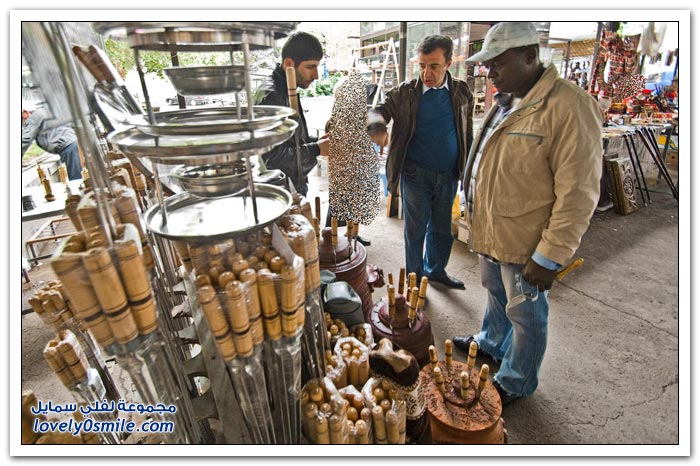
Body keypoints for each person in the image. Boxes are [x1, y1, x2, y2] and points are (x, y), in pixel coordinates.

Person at [451, 22, 603, 405]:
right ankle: (492, 343)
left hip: (528, 241)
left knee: (526, 313)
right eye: (488, 65)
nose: (490, 72)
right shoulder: (509, 99)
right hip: (495, 229)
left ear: (531, 56)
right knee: (497, 295)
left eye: (498, 63)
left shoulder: (569, 106)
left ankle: (517, 379)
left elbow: (579, 192)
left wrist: (550, 255)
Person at [367, 35, 474, 289]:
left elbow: (467, 131)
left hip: (449, 174)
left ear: (448, 63)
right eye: (422, 65)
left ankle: (435, 271)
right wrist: (378, 126)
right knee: (414, 232)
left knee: (441, 231)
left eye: (434, 66)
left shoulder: (461, 91)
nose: (426, 73)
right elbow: (377, 110)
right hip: (415, 174)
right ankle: (415, 283)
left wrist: (466, 167)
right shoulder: (406, 92)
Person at [257, 31, 329, 196]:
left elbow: (290, 140)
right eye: (310, 67)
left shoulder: (286, 87)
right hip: (280, 189)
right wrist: (316, 149)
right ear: (289, 63)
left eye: (317, 67)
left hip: (290, 184)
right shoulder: (273, 96)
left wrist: (317, 141)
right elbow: (273, 157)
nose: (316, 75)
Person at [22, 104, 82, 180]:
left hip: (68, 147)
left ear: (25, 112)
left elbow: (25, 138)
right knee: (78, 176)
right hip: (71, 144)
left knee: (76, 179)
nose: (23, 121)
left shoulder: (35, 116)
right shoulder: (44, 111)